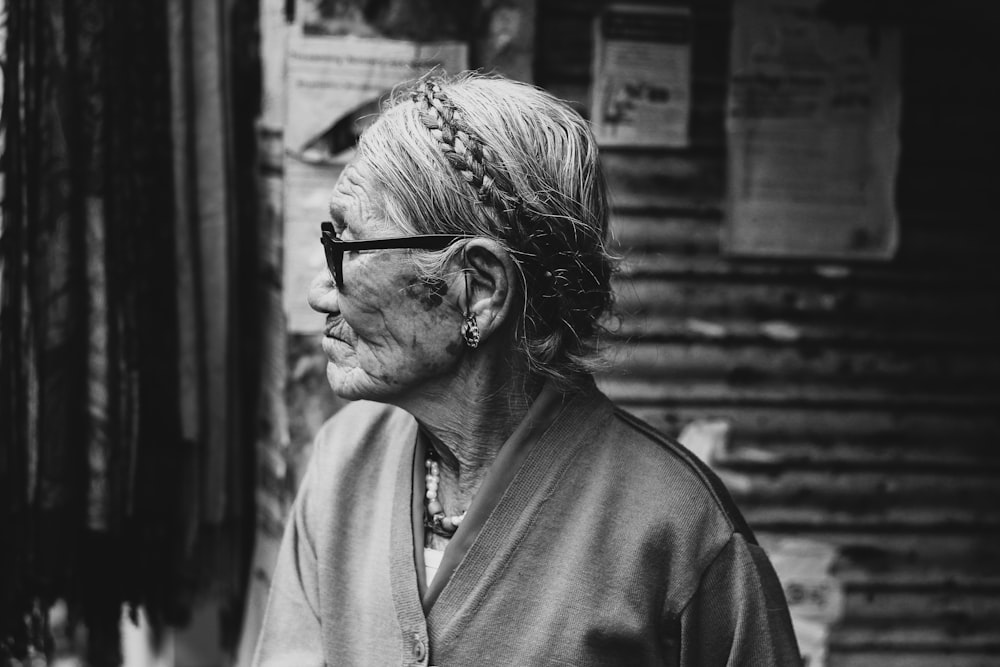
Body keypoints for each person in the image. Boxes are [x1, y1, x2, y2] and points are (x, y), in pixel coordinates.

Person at [253, 71, 800, 666]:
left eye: (346, 250)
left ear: (478, 289)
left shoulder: (680, 531)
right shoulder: (342, 466)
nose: (318, 293)